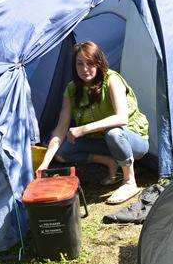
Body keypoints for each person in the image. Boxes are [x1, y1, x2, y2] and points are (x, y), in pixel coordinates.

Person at [36, 41, 149, 205]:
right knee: (62, 150)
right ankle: (110, 162)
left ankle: (129, 181)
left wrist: (83, 129)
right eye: (79, 64)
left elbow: (121, 118)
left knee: (114, 132)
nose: (84, 69)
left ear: (99, 62)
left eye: (90, 63)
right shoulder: (72, 89)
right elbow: (60, 129)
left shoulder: (111, 80)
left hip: (132, 139)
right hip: (103, 141)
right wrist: (45, 164)